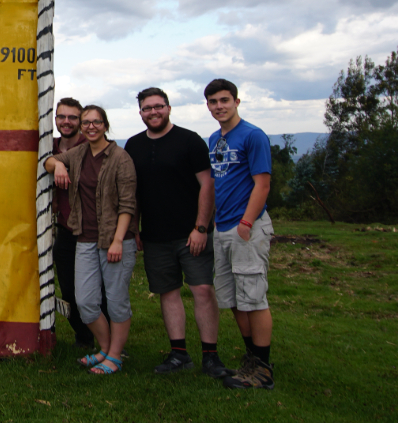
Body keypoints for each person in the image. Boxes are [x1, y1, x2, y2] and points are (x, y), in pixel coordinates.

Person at [126, 88, 226, 378]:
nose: (153, 112)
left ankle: (211, 356)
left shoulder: (189, 140)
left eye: (158, 107)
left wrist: (201, 227)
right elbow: (134, 192)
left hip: (191, 233)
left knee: (202, 290)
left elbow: (207, 186)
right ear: (141, 113)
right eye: (147, 108)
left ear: (168, 108)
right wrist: (136, 228)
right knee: (168, 293)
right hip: (155, 235)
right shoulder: (133, 145)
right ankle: (179, 353)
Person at [44, 106, 137, 374]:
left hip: (114, 239)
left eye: (96, 122)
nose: (90, 127)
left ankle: (115, 356)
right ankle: (105, 348)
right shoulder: (81, 153)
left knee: (116, 299)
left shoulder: (121, 158)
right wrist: (59, 163)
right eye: (86, 122)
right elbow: (47, 162)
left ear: (106, 125)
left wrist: (118, 240)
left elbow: (128, 205)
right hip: (84, 238)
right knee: (85, 302)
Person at [204, 78, 275, 389]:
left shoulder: (253, 136)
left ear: (236, 101)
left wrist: (246, 223)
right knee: (234, 299)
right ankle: (250, 360)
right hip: (222, 228)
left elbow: (262, 184)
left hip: (245, 227)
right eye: (213, 102)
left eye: (224, 100)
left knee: (254, 298)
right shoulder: (214, 139)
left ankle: (263, 370)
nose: (219, 106)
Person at [50, 97, 96, 347]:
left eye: (72, 117)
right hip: (65, 228)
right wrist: (57, 163)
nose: (66, 122)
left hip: (92, 231)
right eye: (61, 117)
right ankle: (84, 335)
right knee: (68, 290)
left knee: (96, 290)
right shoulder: (50, 147)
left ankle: (108, 340)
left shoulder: (92, 146)